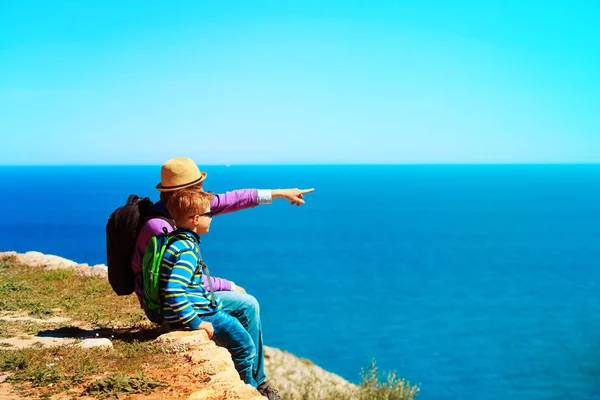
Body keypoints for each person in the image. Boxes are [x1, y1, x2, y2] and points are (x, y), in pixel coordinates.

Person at [132, 157, 312, 399]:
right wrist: (225, 286)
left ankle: (256, 380)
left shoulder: (184, 212)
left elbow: (235, 199)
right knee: (242, 323)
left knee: (249, 305)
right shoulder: (160, 228)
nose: (205, 193)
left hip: (187, 294)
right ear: (186, 195)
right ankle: (247, 386)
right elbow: (174, 282)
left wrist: (281, 193)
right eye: (199, 187)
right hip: (171, 305)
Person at [160, 189, 264, 388]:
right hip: (201, 312)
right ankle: (250, 389)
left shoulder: (175, 241)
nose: (212, 218)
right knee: (245, 346)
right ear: (196, 219)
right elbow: (174, 290)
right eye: (209, 214)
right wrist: (197, 323)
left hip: (186, 310)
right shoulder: (187, 250)